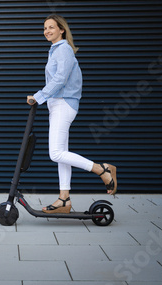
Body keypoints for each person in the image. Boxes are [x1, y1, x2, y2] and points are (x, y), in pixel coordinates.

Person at [26, 14, 117, 214]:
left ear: (62, 29)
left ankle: (101, 169)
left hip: (63, 103)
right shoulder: (56, 50)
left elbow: (60, 79)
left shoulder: (64, 50)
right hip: (57, 104)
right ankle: (64, 199)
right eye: (44, 28)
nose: (47, 31)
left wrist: (38, 96)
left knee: (55, 153)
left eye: (51, 27)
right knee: (62, 155)